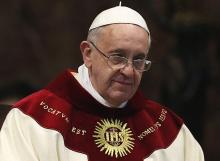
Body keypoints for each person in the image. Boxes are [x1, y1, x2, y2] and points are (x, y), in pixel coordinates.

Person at [0, 4, 204, 161]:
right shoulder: (32, 120)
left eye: (139, 60)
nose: (128, 70)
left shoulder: (168, 130)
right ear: (88, 54)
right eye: (118, 56)